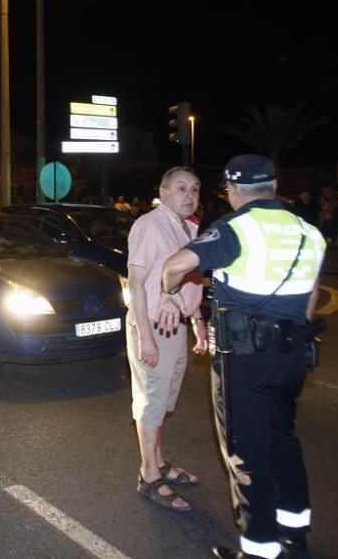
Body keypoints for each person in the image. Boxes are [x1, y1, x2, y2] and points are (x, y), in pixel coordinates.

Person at [160, 154, 326, 559]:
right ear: (273, 186)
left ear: (233, 191)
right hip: (293, 356)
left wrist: (168, 291)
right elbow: (311, 301)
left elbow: (177, 263)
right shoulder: (309, 232)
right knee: (283, 440)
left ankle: (259, 549)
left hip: (246, 359)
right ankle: (295, 534)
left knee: (247, 453)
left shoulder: (237, 227)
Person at [126, 166, 206, 513]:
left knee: (165, 400)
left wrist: (198, 320)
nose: (189, 195)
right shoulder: (150, 225)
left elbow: (190, 280)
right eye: (181, 188)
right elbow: (136, 282)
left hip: (177, 327)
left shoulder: (188, 227)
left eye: (195, 188)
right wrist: (145, 337)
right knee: (152, 401)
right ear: (163, 191)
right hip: (153, 328)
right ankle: (149, 475)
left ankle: (159, 461)